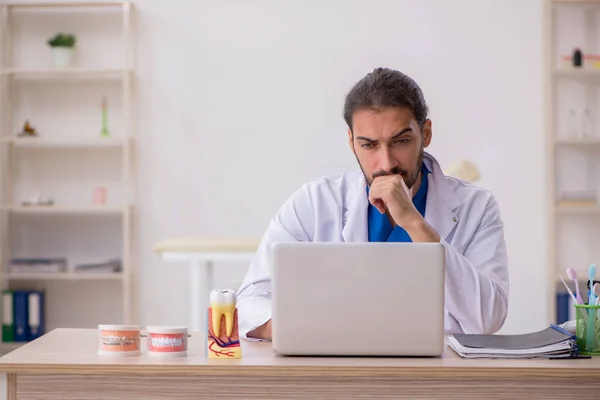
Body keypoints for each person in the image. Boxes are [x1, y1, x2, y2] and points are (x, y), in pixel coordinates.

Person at [235, 67, 509, 341]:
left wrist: (416, 224)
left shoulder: (477, 207)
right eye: (369, 146)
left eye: (401, 141)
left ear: (425, 133)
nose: (387, 163)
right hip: (339, 369)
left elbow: (488, 318)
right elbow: (250, 300)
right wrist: (321, 334)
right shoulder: (315, 202)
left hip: (438, 375)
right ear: (351, 142)